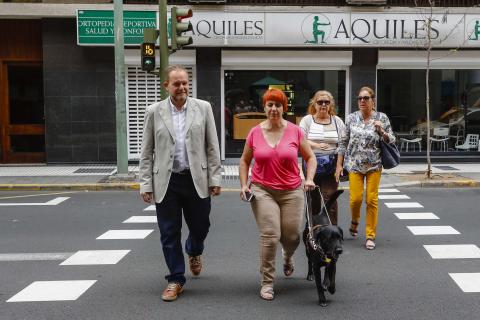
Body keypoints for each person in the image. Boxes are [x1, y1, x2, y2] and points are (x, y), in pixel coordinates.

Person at [139, 65, 222, 302]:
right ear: (166, 86)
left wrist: (215, 178)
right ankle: (175, 279)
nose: (182, 87)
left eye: (185, 83)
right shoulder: (154, 111)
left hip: (196, 179)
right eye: (176, 83)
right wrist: (145, 184)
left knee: (201, 227)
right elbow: (146, 152)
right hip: (167, 181)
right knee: (169, 232)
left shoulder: (203, 108)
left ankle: (194, 250)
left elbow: (212, 145)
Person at [239, 88, 316, 301]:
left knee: (291, 236)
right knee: (270, 235)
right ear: (264, 107)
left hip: (292, 190)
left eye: (278, 105)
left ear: (284, 108)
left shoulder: (295, 131)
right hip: (262, 189)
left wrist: (309, 179)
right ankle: (267, 281)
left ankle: (288, 256)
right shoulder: (254, 132)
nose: (274, 109)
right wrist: (244, 185)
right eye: (270, 105)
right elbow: (245, 160)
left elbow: (310, 158)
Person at [337, 86, 395, 250]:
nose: (362, 101)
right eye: (360, 98)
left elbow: (392, 139)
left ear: (373, 100)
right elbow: (343, 142)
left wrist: (381, 131)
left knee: (371, 200)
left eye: (366, 98)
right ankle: (355, 220)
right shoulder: (351, 118)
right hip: (354, 165)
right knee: (355, 199)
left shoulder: (381, 117)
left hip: (374, 165)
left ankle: (370, 235)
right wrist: (339, 165)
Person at [299, 90, 346, 225]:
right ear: (314, 104)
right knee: (313, 199)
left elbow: (343, 143)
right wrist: (317, 145)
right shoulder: (307, 120)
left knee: (330, 197)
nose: (323, 105)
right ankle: (313, 230)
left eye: (327, 102)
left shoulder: (337, 121)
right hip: (311, 164)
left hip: (331, 163)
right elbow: (301, 139)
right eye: (320, 102)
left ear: (331, 104)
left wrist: (339, 165)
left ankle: (332, 230)